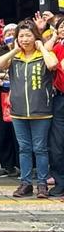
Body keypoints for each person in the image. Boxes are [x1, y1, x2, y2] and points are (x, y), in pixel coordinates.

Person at [0, 20, 57, 198]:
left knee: (40, 148)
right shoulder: (15, 57)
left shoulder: (42, 55)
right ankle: (25, 183)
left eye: (28, 35)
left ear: (35, 36)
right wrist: (14, 49)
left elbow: (52, 64)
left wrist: (42, 47)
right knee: (24, 148)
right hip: (19, 111)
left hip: (41, 111)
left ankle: (42, 184)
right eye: (21, 36)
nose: (25, 39)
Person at [0, 24, 20, 178]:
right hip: (2, 97)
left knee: (19, 132)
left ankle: (21, 165)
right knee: (3, 131)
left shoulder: (23, 52)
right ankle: (7, 166)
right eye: (7, 32)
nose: (10, 35)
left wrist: (2, 76)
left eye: (13, 32)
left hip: (19, 96)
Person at [49, 18, 64, 197]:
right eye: (61, 26)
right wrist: (52, 37)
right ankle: (60, 182)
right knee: (57, 143)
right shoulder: (57, 48)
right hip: (60, 98)